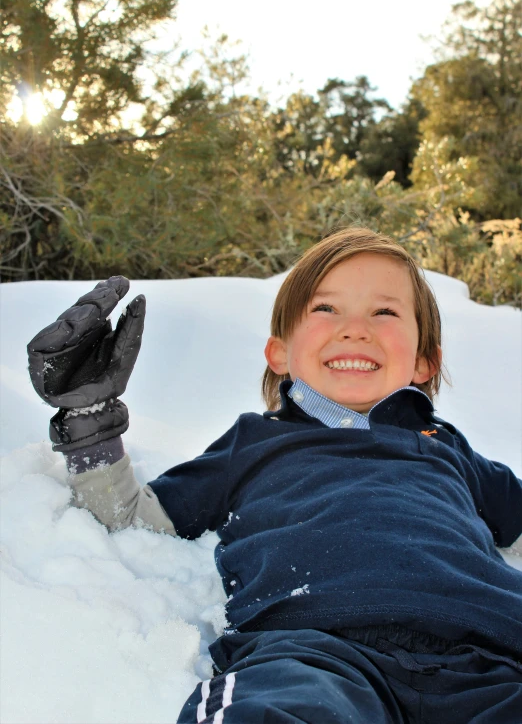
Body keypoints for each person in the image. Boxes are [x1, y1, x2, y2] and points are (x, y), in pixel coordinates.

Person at [27, 227, 522, 724]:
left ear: (423, 361)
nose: (355, 328)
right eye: (325, 309)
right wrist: (90, 421)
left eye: (385, 312)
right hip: (312, 649)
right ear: (279, 352)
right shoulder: (253, 444)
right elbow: (134, 519)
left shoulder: (447, 447)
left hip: (492, 648)